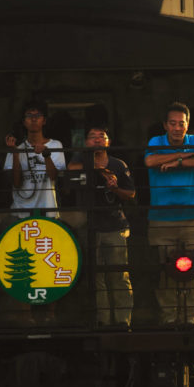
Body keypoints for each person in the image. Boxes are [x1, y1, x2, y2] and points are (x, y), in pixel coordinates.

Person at [144, 102, 194, 324]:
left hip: (192, 217)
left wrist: (179, 162)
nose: (176, 128)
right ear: (165, 125)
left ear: (187, 124)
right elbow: (150, 160)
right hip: (161, 219)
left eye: (181, 124)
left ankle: (190, 318)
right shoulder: (156, 142)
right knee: (165, 272)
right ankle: (169, 318)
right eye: (172, 124)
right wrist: (182, 155)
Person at [68, 126, 135, 327]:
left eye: (101, 136)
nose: (97, 140)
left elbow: (130, 194)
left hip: (115, 226)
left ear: (108, 141)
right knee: (96, 276)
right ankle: (102, 321)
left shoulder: (118, 164)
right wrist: (97, 168)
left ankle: (123, 321)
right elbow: (69, 172)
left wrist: (115, 188)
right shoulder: (79, 160)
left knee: (119, 275)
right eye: (92, 137)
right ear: (85, 142)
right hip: (89, 227)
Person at [3, 100, 66, 216]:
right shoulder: (16, 148)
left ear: (44, 120)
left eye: (38, 115)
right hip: (21, 211)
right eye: (29, 116)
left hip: (48, 209)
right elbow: (16, 183)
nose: (33, 119)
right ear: (24, 121)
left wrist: (46, 155)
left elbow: (54, 177)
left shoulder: (55, 145)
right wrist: (16, 153)